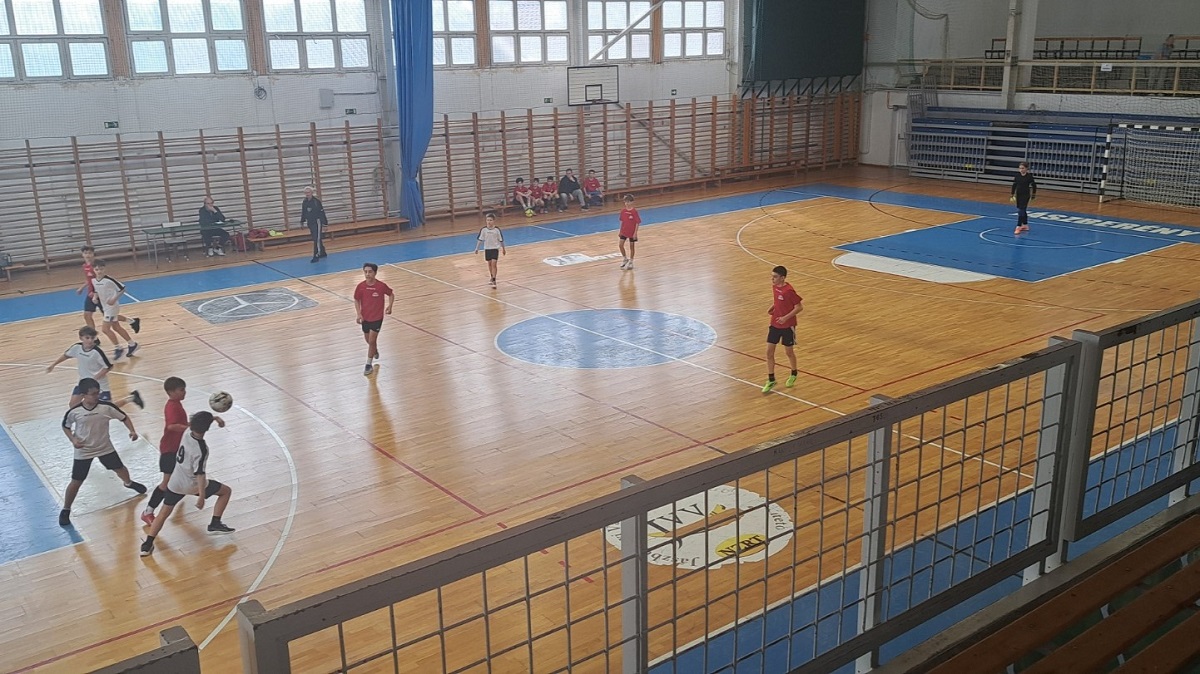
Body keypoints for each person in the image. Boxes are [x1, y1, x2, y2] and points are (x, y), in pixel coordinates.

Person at [140, 411, 235, 557]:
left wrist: (214, 418)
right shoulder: (202, 449)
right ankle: (215, 523)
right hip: (192, 485)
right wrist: (201, 496)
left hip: (175, 482)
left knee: (163, 513)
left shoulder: (186, 432)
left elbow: (196, 423)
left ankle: (147, 545)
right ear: (207, 428)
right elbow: (200, 474)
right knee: (226, 491)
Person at [59, 377, 146, 526]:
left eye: (98, 393)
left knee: (120, 468)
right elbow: (65, 426)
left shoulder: (106, 407)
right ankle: (66, 509)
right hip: (84, 451)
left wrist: (132, 431)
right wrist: (73, 440)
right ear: (83, 395)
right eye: (93, 394)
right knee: (76, 481)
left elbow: (124, 417)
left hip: (105, 447)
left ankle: (128, 483)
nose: (97, 396)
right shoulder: (74, 412)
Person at [141, 377, 224, 526]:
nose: (184, 392)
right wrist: (191, 428)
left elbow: (184, 423)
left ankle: (167, 503)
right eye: (181, 390)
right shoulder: (172, 407)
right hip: (170, 449)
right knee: (166, 483)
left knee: (177, 480)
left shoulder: (177, 404)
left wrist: (212, 418)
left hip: (177, 449)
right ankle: (148, 511)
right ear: (171, 392)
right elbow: (172, 426)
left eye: (184, 389)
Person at [47, 326, 144, 408]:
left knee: (107, 408)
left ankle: (131, 398)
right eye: (87, 338)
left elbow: (108, 367)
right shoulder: (76, 348)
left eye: (92, 338)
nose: (90, 340)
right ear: (81, 338)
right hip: (83, 383)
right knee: (73, 405)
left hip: (100, 385)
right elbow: (66, 355)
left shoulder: (97, 352)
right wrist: (53, 365)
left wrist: (95, 379)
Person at [77, 246, 139, 333]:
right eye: (85, 253)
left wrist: (96, 294)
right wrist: (82, 288)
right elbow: (89, 280)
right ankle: (93, 336)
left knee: (112, 319)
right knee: (87, 315)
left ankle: (132, 321)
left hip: (101, 295)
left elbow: (100, 279)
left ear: (93, 254)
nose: (88, 255)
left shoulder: (96, 266)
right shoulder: (85, 266)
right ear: (82, 254)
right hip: (91, 294)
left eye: (90, 253)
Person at [762, 265, 803, 393]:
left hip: (787, 326)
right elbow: (778, 301)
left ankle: (794, 373)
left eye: (775, 277)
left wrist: (785, 318)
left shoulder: (789, 291)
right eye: (772, 276)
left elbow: (799, 307)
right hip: (775, 324)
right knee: (769, 352)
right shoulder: (775, 287)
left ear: (782, 278)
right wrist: (772, 308)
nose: (772, 279)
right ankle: (771, 379)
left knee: (789, 352)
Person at [92, 259, 140, 359]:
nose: (99, 271)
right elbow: (96, 290)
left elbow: (122, 289)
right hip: (105, 306)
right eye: (97, 269)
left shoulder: (109, 280)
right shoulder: (94, 280)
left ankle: (118, 348)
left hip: (112, 307)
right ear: (93, 270)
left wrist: (114, 299)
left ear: (104, 269)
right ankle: (132, 344)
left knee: (105, 329)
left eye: (101, 269)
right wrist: (95, 297)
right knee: (116, 327)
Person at [354, 263, 395, 376]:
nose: (367, 274)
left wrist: (390, 306)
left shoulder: (381, 286)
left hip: (377, 318)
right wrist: (358, 314)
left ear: (375, 273)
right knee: (368, 341)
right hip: (365, 318)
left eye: (370, 272)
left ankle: (368, 364)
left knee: (372, 341)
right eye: (365, 272)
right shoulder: (360, 286)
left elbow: (391, 294)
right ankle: (374, 350)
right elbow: (356, 299)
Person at [474, 211, 506, 288]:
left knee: (494, 264)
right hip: (487, 249)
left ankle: (494, 280)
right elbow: (480, 239)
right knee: (489, 264)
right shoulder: (484, 230)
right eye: (487, 220)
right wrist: (477, 248)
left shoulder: (497, 230)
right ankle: (491, 276)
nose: (489, 222)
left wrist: (503, 249)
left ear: (494, 221)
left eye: (490, 220)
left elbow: (501, 240)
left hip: (495, 249)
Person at [302, 186, 329, 263]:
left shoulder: (316, 202)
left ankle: (316, 255)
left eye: (308, 192)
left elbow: (322, 213)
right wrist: (302, 221)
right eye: (306, 193)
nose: (307, 194)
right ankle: (323, 252)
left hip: (317, 222)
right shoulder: (304, 202)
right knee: (316, 238)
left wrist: (325, 224)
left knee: (316, 239)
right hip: (310, 223)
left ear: (312, 192)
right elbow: (304, 212)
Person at [1010, 162, 1037, 235]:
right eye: (1020, 168)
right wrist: (1012, 194)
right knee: (1022, 210)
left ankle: (1018, 226)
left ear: (1026, 169)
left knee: (1021, 210)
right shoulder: (1017, 176)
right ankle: (1025, 225)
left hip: (1026, 195)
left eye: (1023, 168)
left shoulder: (1029, 177)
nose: (1021, 170)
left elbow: (1034, 186)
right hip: (1019, 195)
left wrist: (1033, 194)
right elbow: (1014, 185)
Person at [618, 194, 641, 270]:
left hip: (632, 232)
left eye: (628, 202)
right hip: (624, 231)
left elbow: (637, 222)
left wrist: (635, 233)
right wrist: (620, 231)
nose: (626, 203)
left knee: (632, 246)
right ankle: (625, 258)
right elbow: (621, 221)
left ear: (632, 202)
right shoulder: (623, 211)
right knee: (620, 245)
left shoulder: (634, 212)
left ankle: (631, 261)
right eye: (625, 202)